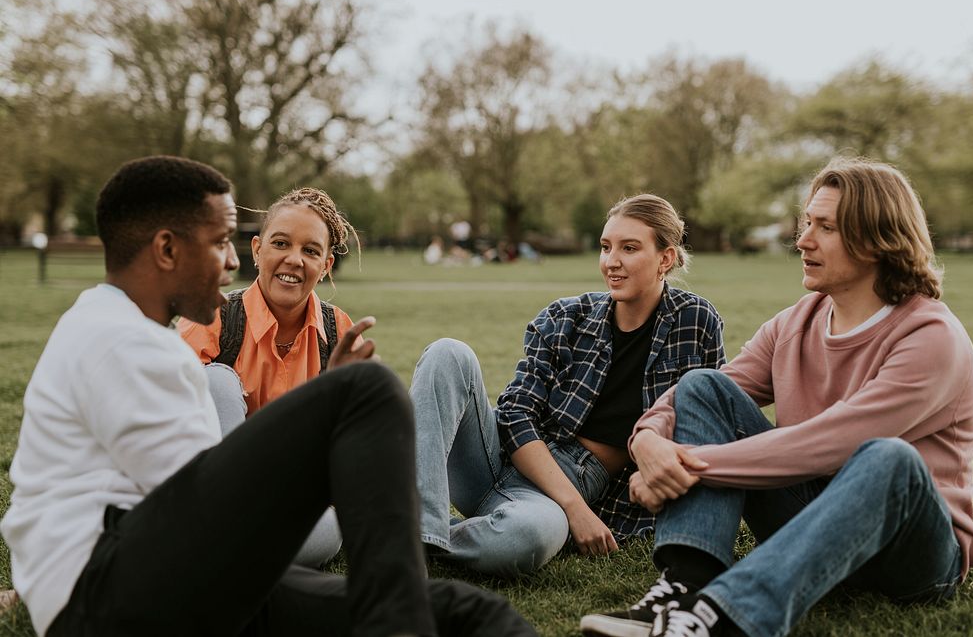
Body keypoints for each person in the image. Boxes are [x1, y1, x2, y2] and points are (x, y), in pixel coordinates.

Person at [0, 155, 535, 636]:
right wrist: (335, 413)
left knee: (471, 614)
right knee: (369, 390)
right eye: (218, 243)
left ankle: (398, 607)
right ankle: (394, 619)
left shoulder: (109, 322)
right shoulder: (126, 344)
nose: (230, 262)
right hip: (110, 594)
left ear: (326, 264)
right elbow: (209, 526)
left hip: (166, 578)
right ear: (166, 249)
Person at [581, 157, 973, 637]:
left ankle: (723, 620)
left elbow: (829, 444)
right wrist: (649, 442)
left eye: (826, 227)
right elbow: (701, 396)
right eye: (806, 223)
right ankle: (683, 590)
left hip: (913, 551)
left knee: (888, 458)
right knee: (703, 386)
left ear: (879, 238)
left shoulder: (931, 336)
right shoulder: (797, 321)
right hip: (811, 524)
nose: (803, 240)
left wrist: (683, 463)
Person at [410, 194, 726, 576]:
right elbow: (515, 415)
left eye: (629, 248)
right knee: (449, 353)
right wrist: (575, 509)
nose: (612, 261)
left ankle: (442, 537)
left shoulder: (695, 320)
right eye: (606, 247)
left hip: (549, 500)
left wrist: (581, 504)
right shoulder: (566, 315)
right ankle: (416, 532)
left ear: (666, 258)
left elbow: (706, 425)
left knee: (526, 536)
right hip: (496, 456)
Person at [178, 187, 357, 567]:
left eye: (311, 251)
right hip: (211, 491)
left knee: (327, 531)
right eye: (281, 244)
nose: (294, 260)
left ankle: (226, 552)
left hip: (291, 502)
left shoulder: (339, 332)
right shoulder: (212, 318)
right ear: (257, 250)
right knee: (217, 383)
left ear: (325, 265)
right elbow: (163, 423)